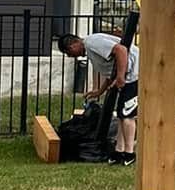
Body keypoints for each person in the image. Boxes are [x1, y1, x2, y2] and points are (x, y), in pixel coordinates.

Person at [55, 28, 138, 165]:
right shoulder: (91, 50)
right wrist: (99, 91)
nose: (71, 56)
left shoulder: (92, 42)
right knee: (121, 115)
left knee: (127, 114)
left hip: (133, 75)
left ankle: (129, 154)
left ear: (73, 45)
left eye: (68, 53)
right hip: (127, 77)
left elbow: (121, 50)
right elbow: (111, 71)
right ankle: (119, 151)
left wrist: (120, 77)